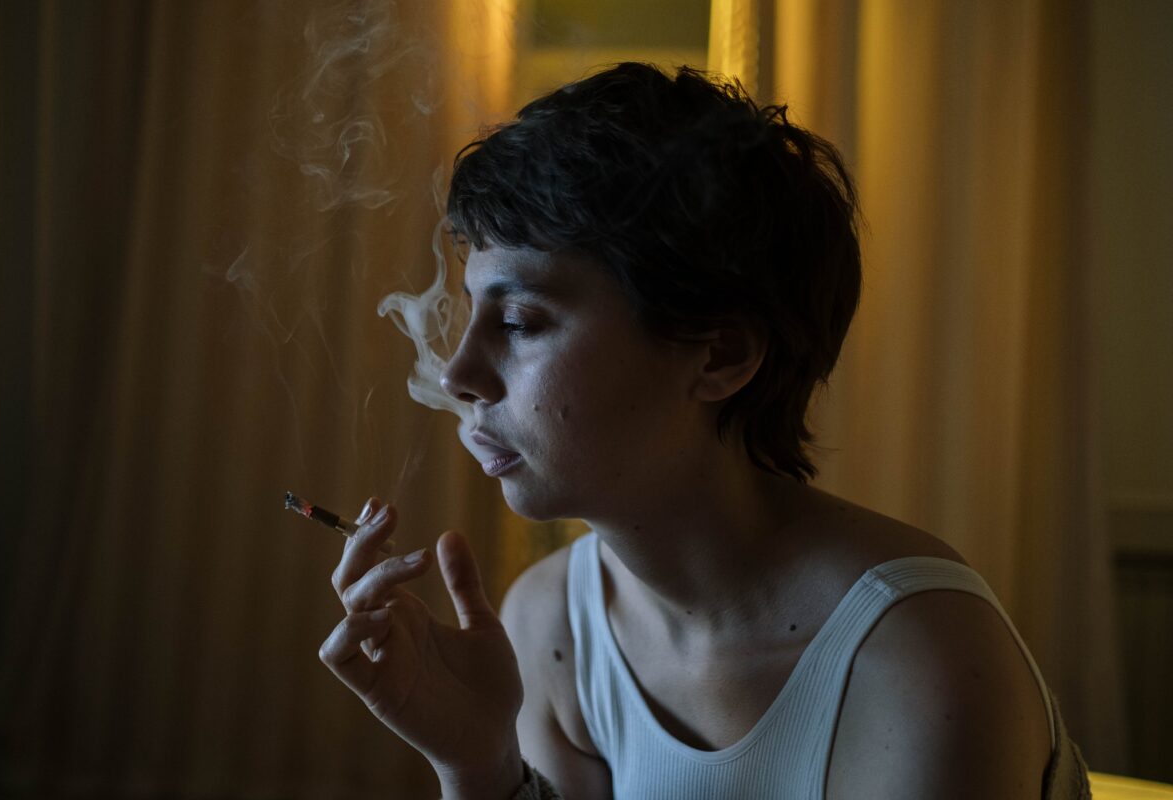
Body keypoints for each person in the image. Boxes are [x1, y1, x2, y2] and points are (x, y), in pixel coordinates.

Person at [318, 63, 1090, 799]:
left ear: (720, 356)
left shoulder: (916, 661)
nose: (458, 373)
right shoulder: (552, 624)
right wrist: (478, 766)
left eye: (519, 322)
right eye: (472, 311)